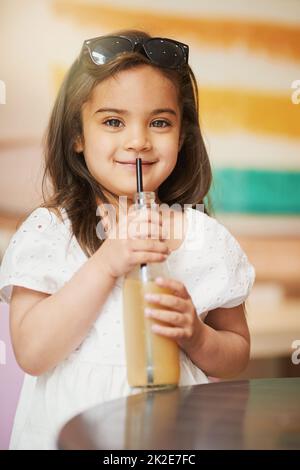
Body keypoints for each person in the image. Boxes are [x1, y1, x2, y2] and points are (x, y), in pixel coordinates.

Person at [0, 29, 255, 449]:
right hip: (71, 434)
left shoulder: (202, 237)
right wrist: (106, 261)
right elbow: (31, 352)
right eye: (113, 121)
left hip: (174, 435)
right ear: (77, 136)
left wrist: (197, 335)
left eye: (159, 122)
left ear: (183, 135)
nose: (138, 141)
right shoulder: (50, 231)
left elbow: (237, 352)